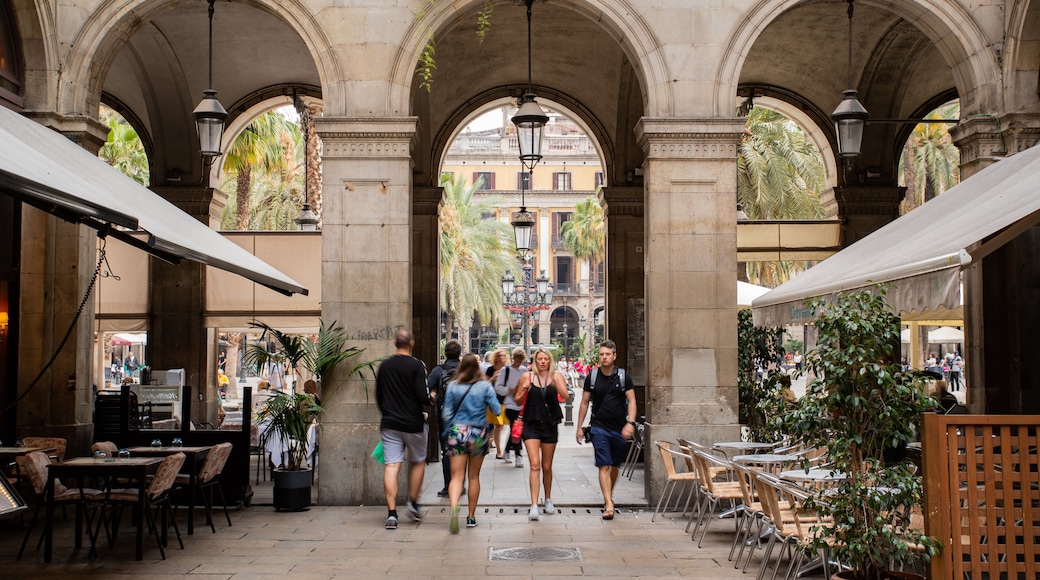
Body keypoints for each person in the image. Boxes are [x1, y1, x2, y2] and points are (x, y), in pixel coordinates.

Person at [375, 328, 431, 530]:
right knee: (418, 462)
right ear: (412, 344)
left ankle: (391, 514)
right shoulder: (417, 366)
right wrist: (430, 399)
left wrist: (388, 413)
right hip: (413, 423)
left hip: (390, 423)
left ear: (394, 343)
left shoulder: (384, 366)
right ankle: (413, 503)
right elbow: (422, 395)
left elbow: (379, 395)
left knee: (392, 465)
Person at [574, 340, 636, 520]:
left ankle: (608, 494)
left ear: (614, 356)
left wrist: (630, 423)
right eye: (602, 354)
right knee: (604, 465)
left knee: (615, 465)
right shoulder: (592, 377)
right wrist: (579, 427)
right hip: (598, 428)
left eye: (608, 354)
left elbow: (631, 400)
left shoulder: (624, 377)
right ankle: (608, 503)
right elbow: (584, 402)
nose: (604, 357)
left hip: (619, 428)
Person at [441, 353, 501, 533]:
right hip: (478, 433)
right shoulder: (484, 386)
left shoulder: (452, 386)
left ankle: (453, 509)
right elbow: (497, 410)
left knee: (456, 477)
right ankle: (471, 516)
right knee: (474, 477)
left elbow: (446, 414)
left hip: (457, 432)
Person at [513, 348, 569, 521]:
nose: (543, 362)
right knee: (535, 465)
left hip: (550, 424)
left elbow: (566, 397)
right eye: (540, 359)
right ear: (535, 361)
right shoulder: (527, 377)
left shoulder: (557, 376)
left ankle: (549, 499)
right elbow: (517, 400)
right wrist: (523, 389)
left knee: (546, 466)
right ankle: (534, 504)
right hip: (531, 424)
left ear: (550, 360)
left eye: (546, 359)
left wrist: (558, 384)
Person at [427, 339, 462, 498]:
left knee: (447, 451)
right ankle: (460, 484)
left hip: (444, 416)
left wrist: (434, 396)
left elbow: (426, 389)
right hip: (464, 415)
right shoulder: (466, 369)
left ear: (445, 353)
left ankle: (448, 486)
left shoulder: (438, 370)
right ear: (459, 353)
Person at [497, 348, 528, 466]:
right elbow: (498, 387)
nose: (518, 363)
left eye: (521, 361)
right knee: (515, 428)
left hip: (521, 404)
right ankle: (518, 454)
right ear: (513, 358)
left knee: (517, 430)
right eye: (517, 360)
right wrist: (510, 390)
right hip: (510, 404)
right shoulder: (506, 370)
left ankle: (507, 450)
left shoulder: (524, 371)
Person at [485, 349, 510, 460]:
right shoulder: (491, 369)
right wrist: (494, 377)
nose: (502, 358)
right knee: (498, 426)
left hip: (507, 400)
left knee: (504, 425)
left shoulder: (508, 369)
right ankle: (499, 451)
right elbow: (485, 384)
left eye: (504, 356)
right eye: (499, 356)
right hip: (494, 400)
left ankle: (506, 449)